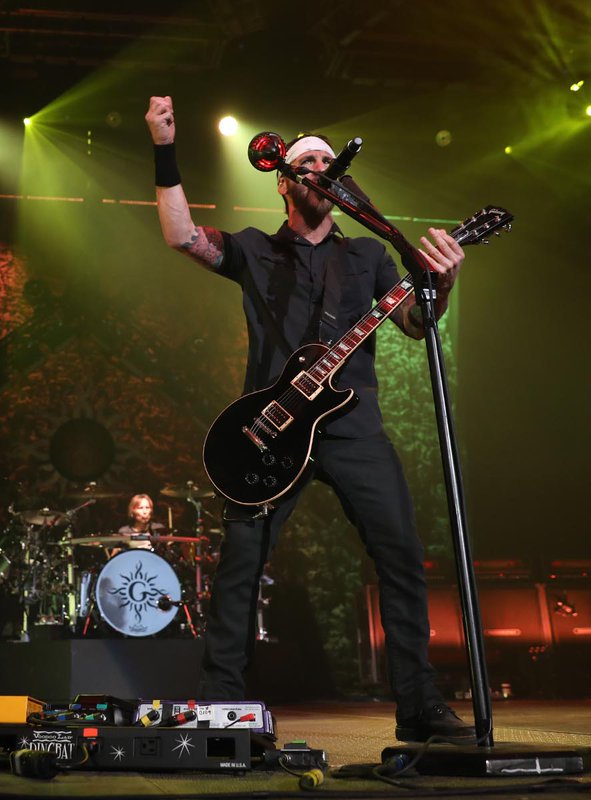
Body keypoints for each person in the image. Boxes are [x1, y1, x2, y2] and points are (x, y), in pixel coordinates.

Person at [144, 95, 475, 743]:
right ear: (284, 180)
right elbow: (182, 235)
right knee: (243, 562)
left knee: (403, 558)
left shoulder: (370, 258)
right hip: (271, 430)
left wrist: (445, 283)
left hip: (355, 428)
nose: (322, 167)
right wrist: (163, 147)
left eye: (330, 161)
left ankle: (418, 705)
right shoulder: (257, 251)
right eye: (308, 161)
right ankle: (220, 705)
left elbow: (414, 324)